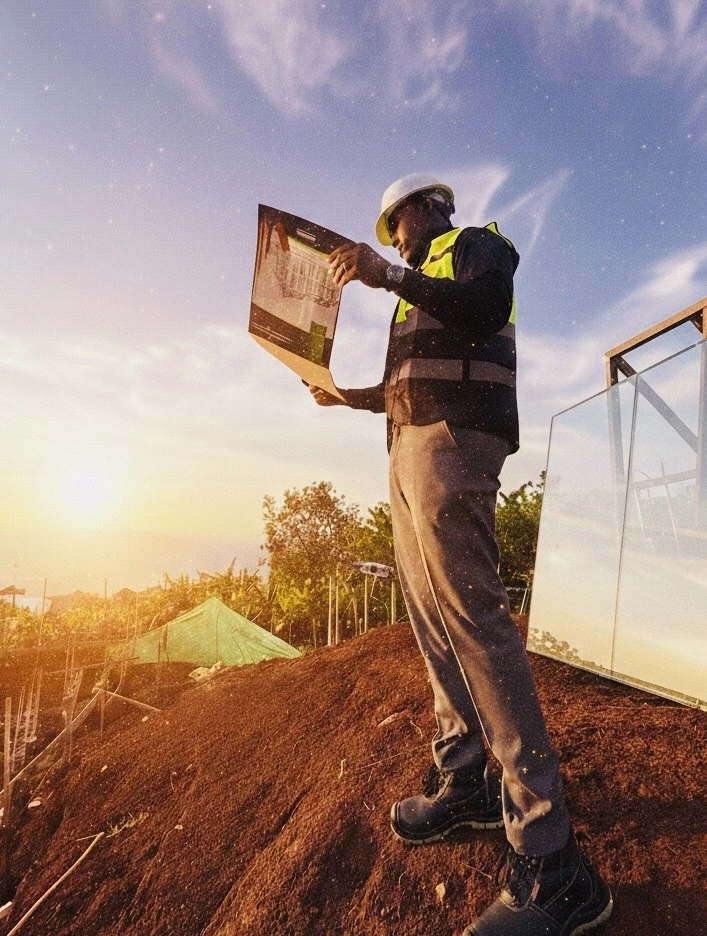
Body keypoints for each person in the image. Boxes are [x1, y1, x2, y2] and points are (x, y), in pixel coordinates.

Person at [308, 173, 612, 935]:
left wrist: (387, 275)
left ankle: (552, 859)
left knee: (473, 625)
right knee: (432, 623)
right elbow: (405, 379)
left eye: (394, 223)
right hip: (408, 446)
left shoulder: (474, 247)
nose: (391, 238)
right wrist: (349, 396)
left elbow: (484, 309)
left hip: (452, 443)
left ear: (423, 208)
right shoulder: (415, 287)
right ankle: (466, 778)